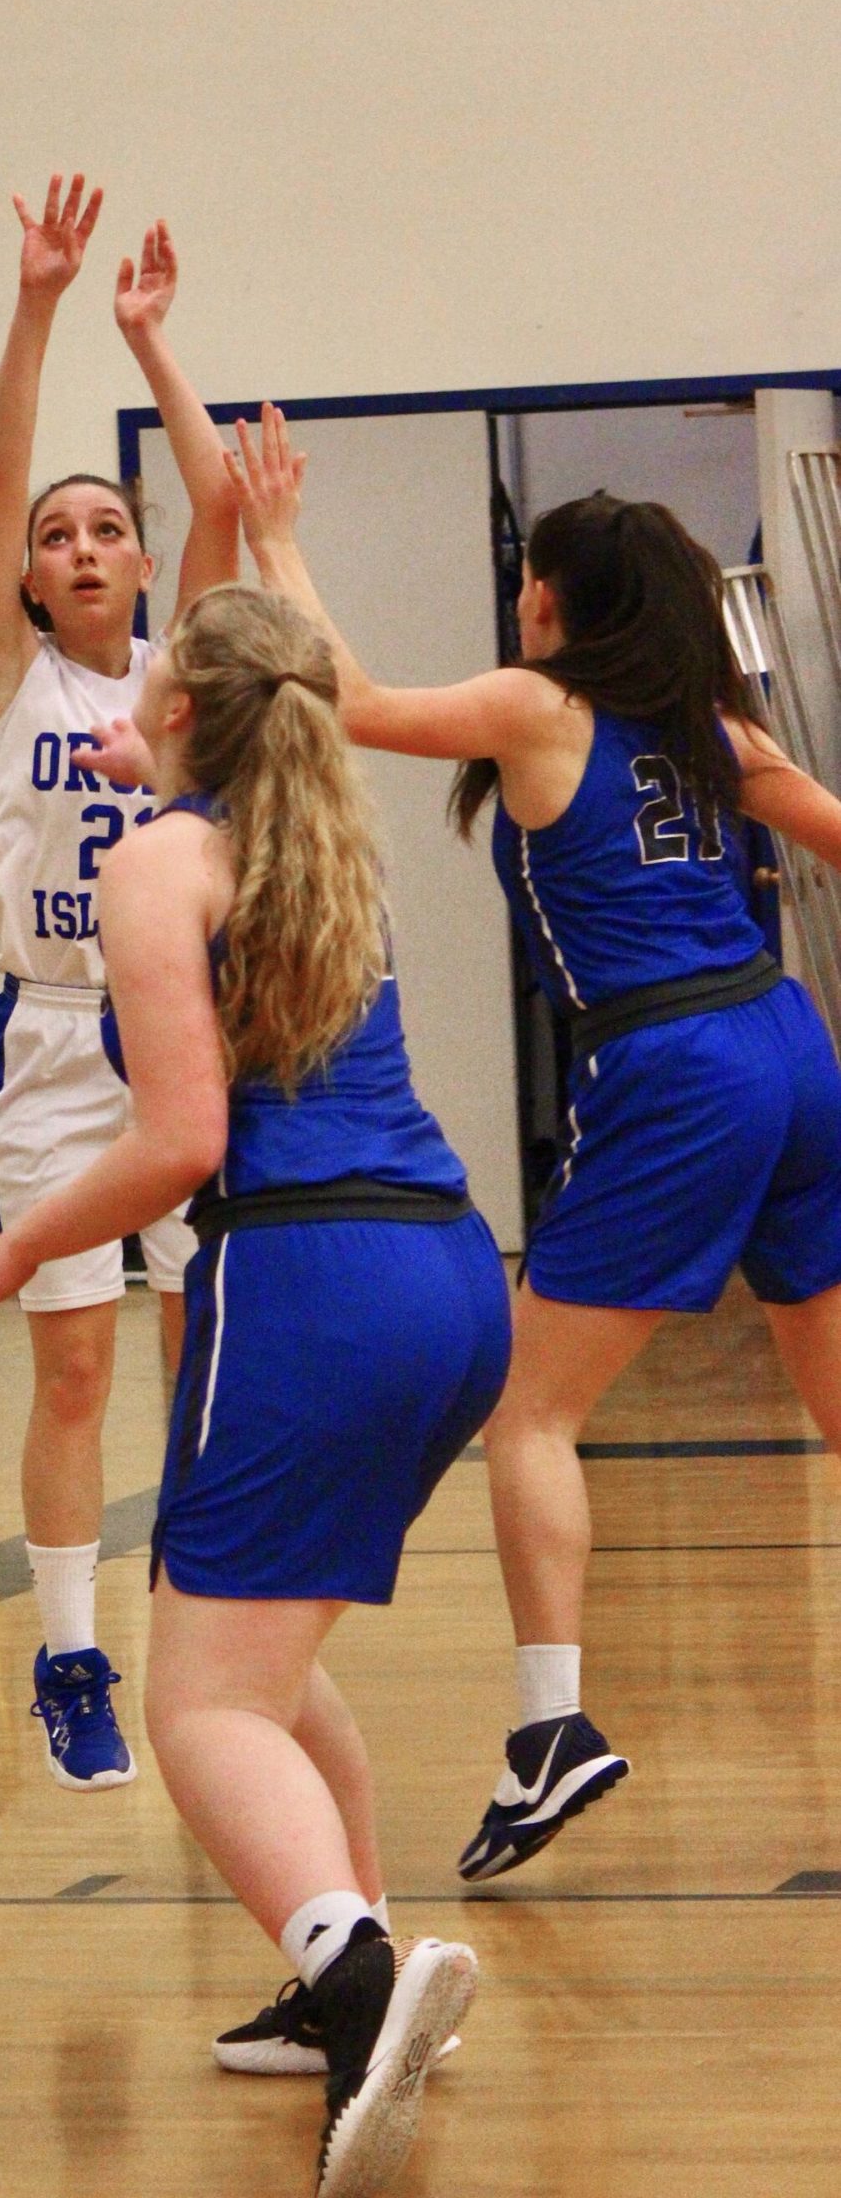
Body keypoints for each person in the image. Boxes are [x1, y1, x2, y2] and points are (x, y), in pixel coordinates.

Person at [228, 406, 841, 1883]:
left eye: (528, 582)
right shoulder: (717, 730)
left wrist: (277, 539)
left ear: (554, 601)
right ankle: (547, 1734)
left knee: (528, 1413)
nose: (517, 599)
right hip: (789, 1041)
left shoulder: (536, 706)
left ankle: (550, 1729)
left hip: (678, 1063)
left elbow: (352, 697)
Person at [0, 584, 501, 2197]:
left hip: (311, 1282)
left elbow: (180, 1142)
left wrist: (0, 1257)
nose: (121, 698)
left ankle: (349, 1971)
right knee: (248, 1642)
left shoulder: (156, 862)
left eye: (145, 681)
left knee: (193, 1704)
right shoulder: (320, 840)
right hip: (451, 1272)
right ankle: (371, 1961)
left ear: (187, 712)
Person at [0, 177, 237, 1788]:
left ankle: (185, 1602)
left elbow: (212, 494)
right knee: (74, 1362)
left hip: (182, 1033)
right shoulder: (12, 677)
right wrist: (40, 303)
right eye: (54, 535)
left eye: (101, 527)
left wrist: (150, 339)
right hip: (58, 1038)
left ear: (139, 563)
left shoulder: (178, 669)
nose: (75, 544)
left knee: (199, 1341)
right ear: (27, 575)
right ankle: (67, 1653)